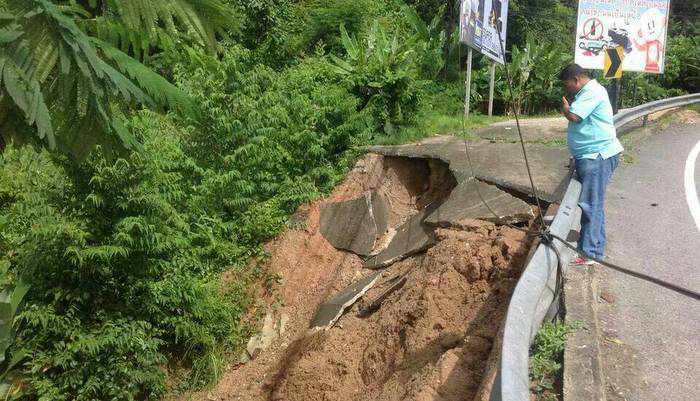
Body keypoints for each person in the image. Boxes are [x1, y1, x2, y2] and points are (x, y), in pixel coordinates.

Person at [559, 63, 624, 266]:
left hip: (597, 156)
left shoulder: (592, 91)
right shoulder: (588, 92)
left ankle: (591, 253)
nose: (566, 88)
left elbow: (575, 116)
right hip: (593, 156)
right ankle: (593, 248)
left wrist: (566, 109)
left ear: (576, 79)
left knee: (591, 205)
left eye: (566, 84)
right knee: (593, 204)